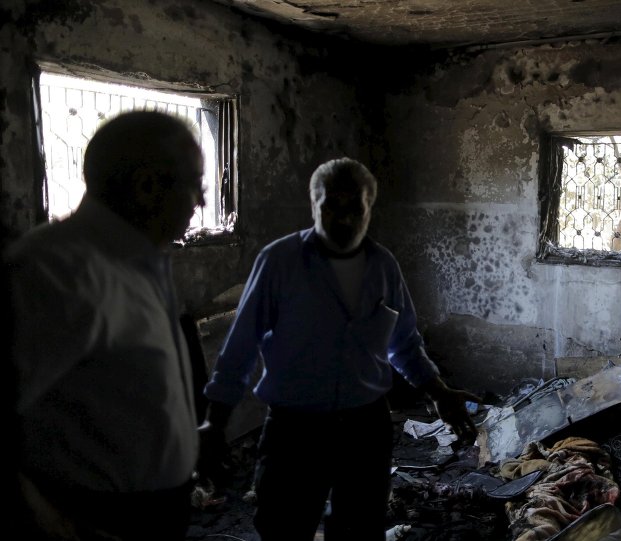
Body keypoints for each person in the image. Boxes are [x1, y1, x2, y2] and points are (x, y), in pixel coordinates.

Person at [200, 157, 481, 541]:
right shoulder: (279, 262)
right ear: (313, 204)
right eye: (331, 205)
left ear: (370, 208)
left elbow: (404, 344)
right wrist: (215, 423)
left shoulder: (383, 268)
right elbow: (239, 349)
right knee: (284, 527)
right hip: (295, 429)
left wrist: (440, 393)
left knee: (359, 529)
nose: (343, 218)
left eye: (355, 208)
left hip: (366, 427)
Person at [6, 110, 206, 540]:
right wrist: (50, 524)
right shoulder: (57, 271)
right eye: (196, 185)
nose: (202, 202)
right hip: (99, 521)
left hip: (148, 514)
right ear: (147, 187)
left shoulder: (139, 261)